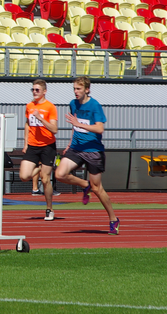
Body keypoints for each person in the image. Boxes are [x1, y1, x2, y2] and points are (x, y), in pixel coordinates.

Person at [54, 76, 120, 235]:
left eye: (79, 89)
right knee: (59, 174)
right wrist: (70, 142)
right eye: (74, 89)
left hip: (93, 150)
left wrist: (79, 124)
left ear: (87, 89)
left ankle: (113, 219)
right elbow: (74, 126)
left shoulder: (95, 106)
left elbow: (99, 129)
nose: (76, 92)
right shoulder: (73, 103)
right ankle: (85, 185)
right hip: (76, 148)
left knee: (98, 188)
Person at [18, 79, 58, 221]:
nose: (34, 92)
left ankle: (49, 209)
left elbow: (54, 129)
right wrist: (25, 143)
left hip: (47, 145)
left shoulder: (50, 107)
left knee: (45, 179)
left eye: (37, 90)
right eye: (33, 90)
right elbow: (27, 124)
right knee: (24, 176)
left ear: (44, 91)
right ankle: (41, 166)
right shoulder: (29, 106)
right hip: (33, 145)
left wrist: (40, 118)